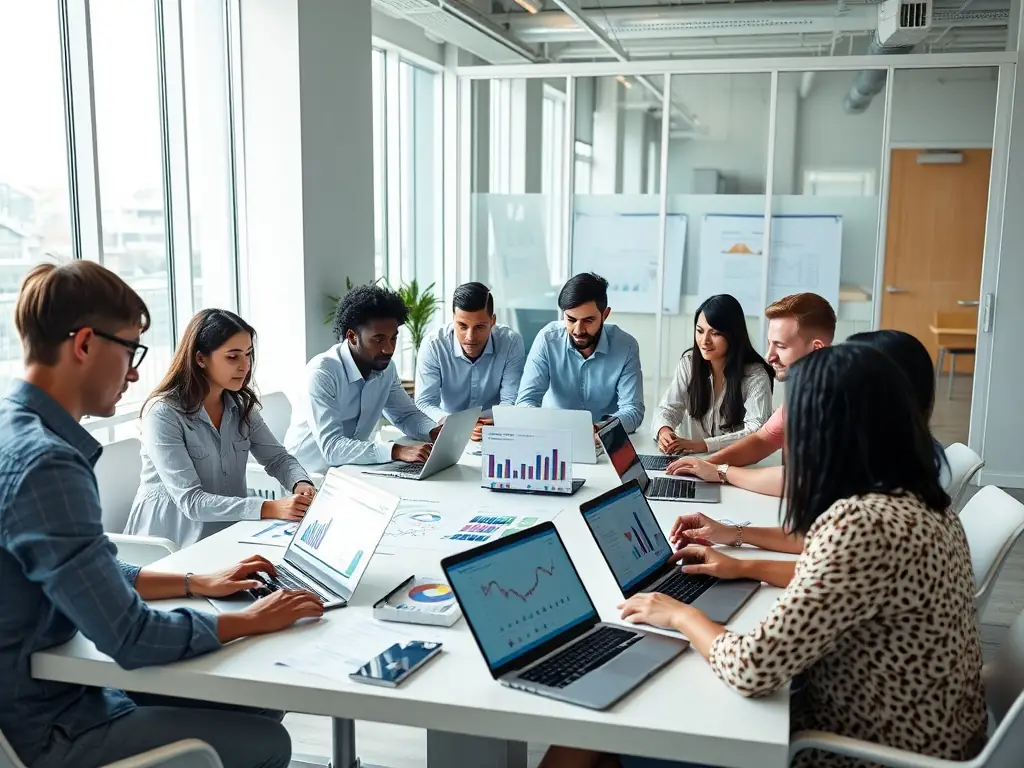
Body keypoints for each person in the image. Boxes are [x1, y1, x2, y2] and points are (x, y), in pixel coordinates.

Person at [542, 344, 986, 768]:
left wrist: (678, 614)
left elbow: (751, 667)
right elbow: (829, 570)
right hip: (926, 737)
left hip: (856, 750)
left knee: (590, 734)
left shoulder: (863, 524)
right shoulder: (920, 500)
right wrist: (737, 550)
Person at [0, 261, 324, 768]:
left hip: (66, 689)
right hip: (56, 723)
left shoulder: (16, 432)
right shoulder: (49, 465)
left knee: (260, 699)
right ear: (84, 344)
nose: (133, 372)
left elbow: (96, 570)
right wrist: (251, 620)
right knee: (270, 742)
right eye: (130, 350)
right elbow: (130, 637)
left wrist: (198, 582)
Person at [666, 327, 953, 567]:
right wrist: (734, 538)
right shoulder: (910, 482)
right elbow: (820, 545)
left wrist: (678, 613)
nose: (769, 356)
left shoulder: (868, 520)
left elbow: (769, 633)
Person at [124, 310, 316, 549]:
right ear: (200, 359)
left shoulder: (240, 405)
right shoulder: (163, 413)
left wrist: (301, 484)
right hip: (172, 545)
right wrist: (270, 507)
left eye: (248, 354)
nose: (245, 366)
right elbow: (191, 502)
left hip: (231, 532)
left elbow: (278, 458)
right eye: (232, 357)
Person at [666, 292, 835, 497]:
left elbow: (796, 481)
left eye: (780, 346)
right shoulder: (799, 395)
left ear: (816, 349)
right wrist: (703, 465)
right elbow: (762, 440)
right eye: (770, 343)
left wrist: (721, 472)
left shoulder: (833, 402)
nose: (769, 356)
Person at [285, 283, 440, 474]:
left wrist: (434, 431)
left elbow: (405, 415)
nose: (389, 349)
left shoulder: (386, 368)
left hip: (354, 470)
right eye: (378, 339)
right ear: (352, 336)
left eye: (393, 338)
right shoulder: (322, 373)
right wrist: (397, 451)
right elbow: (332, 448)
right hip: (309, 478)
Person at [516, 273, 644, 433]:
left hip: (603, 438)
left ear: (605, 314)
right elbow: (526, 401)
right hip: (553, 435)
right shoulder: (548, 339)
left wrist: (601, 429)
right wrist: (543, 427)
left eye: (588, 320)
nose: (578, 330)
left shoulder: (626, 347)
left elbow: (633, 410)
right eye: (571, 319)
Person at [652, 294, 773, 455]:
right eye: (700, 331)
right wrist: (664, 431)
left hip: (735, 466)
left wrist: (702, 445)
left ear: (733, 335)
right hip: (689, 463)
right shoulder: (689, 364)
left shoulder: (755, 375)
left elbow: (757, 430)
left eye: (715, 333)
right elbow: (668, 408)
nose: (704, 341)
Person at [415, 282, 525, 442]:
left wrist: (484, 425)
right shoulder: (433, 345)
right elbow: (425, 402)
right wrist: (458, 425)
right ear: (453, 319)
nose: (470, 337)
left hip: (495, 430)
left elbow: (510, 400)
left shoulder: (511, 342)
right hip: (447, 431)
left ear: (492, 321)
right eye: (462, 326)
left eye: (480, 327)